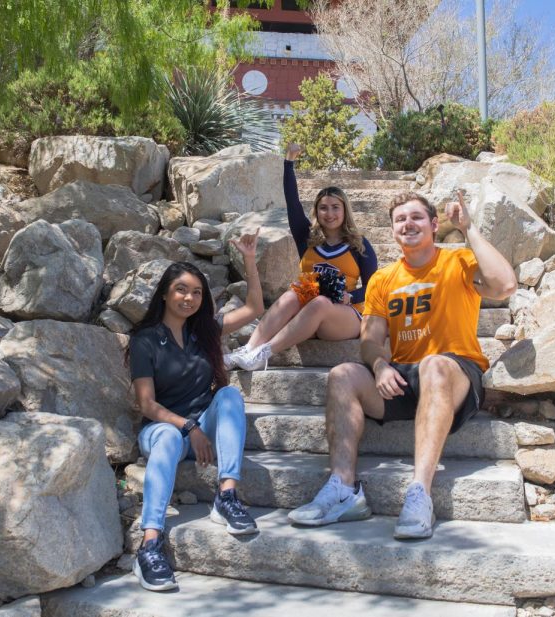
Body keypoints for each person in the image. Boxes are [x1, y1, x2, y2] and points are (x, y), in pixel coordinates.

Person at [287, 190, 517, 539]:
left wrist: (469, 229)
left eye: (416, 217)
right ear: (392, 230)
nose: (407, 224)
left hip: (455, 371)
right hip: (404, 378)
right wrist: (379, 366)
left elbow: (505, 285)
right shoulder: (383, 279)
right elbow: (369, 340)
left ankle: (419, 492)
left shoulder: (458, 262)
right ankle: (343, 488)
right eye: (400, 220)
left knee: (434, 365)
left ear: (434, 224)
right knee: (342, 374)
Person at [128, 232, 263, 592]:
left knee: (231, 396)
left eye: (197, 292)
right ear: (165, 294)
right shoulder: (144, 340)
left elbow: (254, 309)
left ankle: (227, 494)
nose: (189, 298)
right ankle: (150, 543)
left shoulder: (205, 331)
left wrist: (249, 258)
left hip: (202, 421)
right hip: (163, 429)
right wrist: (189, 427)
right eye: (182, 290)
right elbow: (147, 404)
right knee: (170, 437)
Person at [225, 143, 377, 372]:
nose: (330, 213)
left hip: (346, 316)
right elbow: (293, 203)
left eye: (336, 207)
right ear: (316, 212)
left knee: (320, 303)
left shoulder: (358, 244)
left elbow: (374, 286)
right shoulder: (307, 238)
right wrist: (289, 162)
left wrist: (350, 295)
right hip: (308, 315)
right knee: (293, 294)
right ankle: (249, 348)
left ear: (345, 211)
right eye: (323, 208)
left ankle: (264, 353)